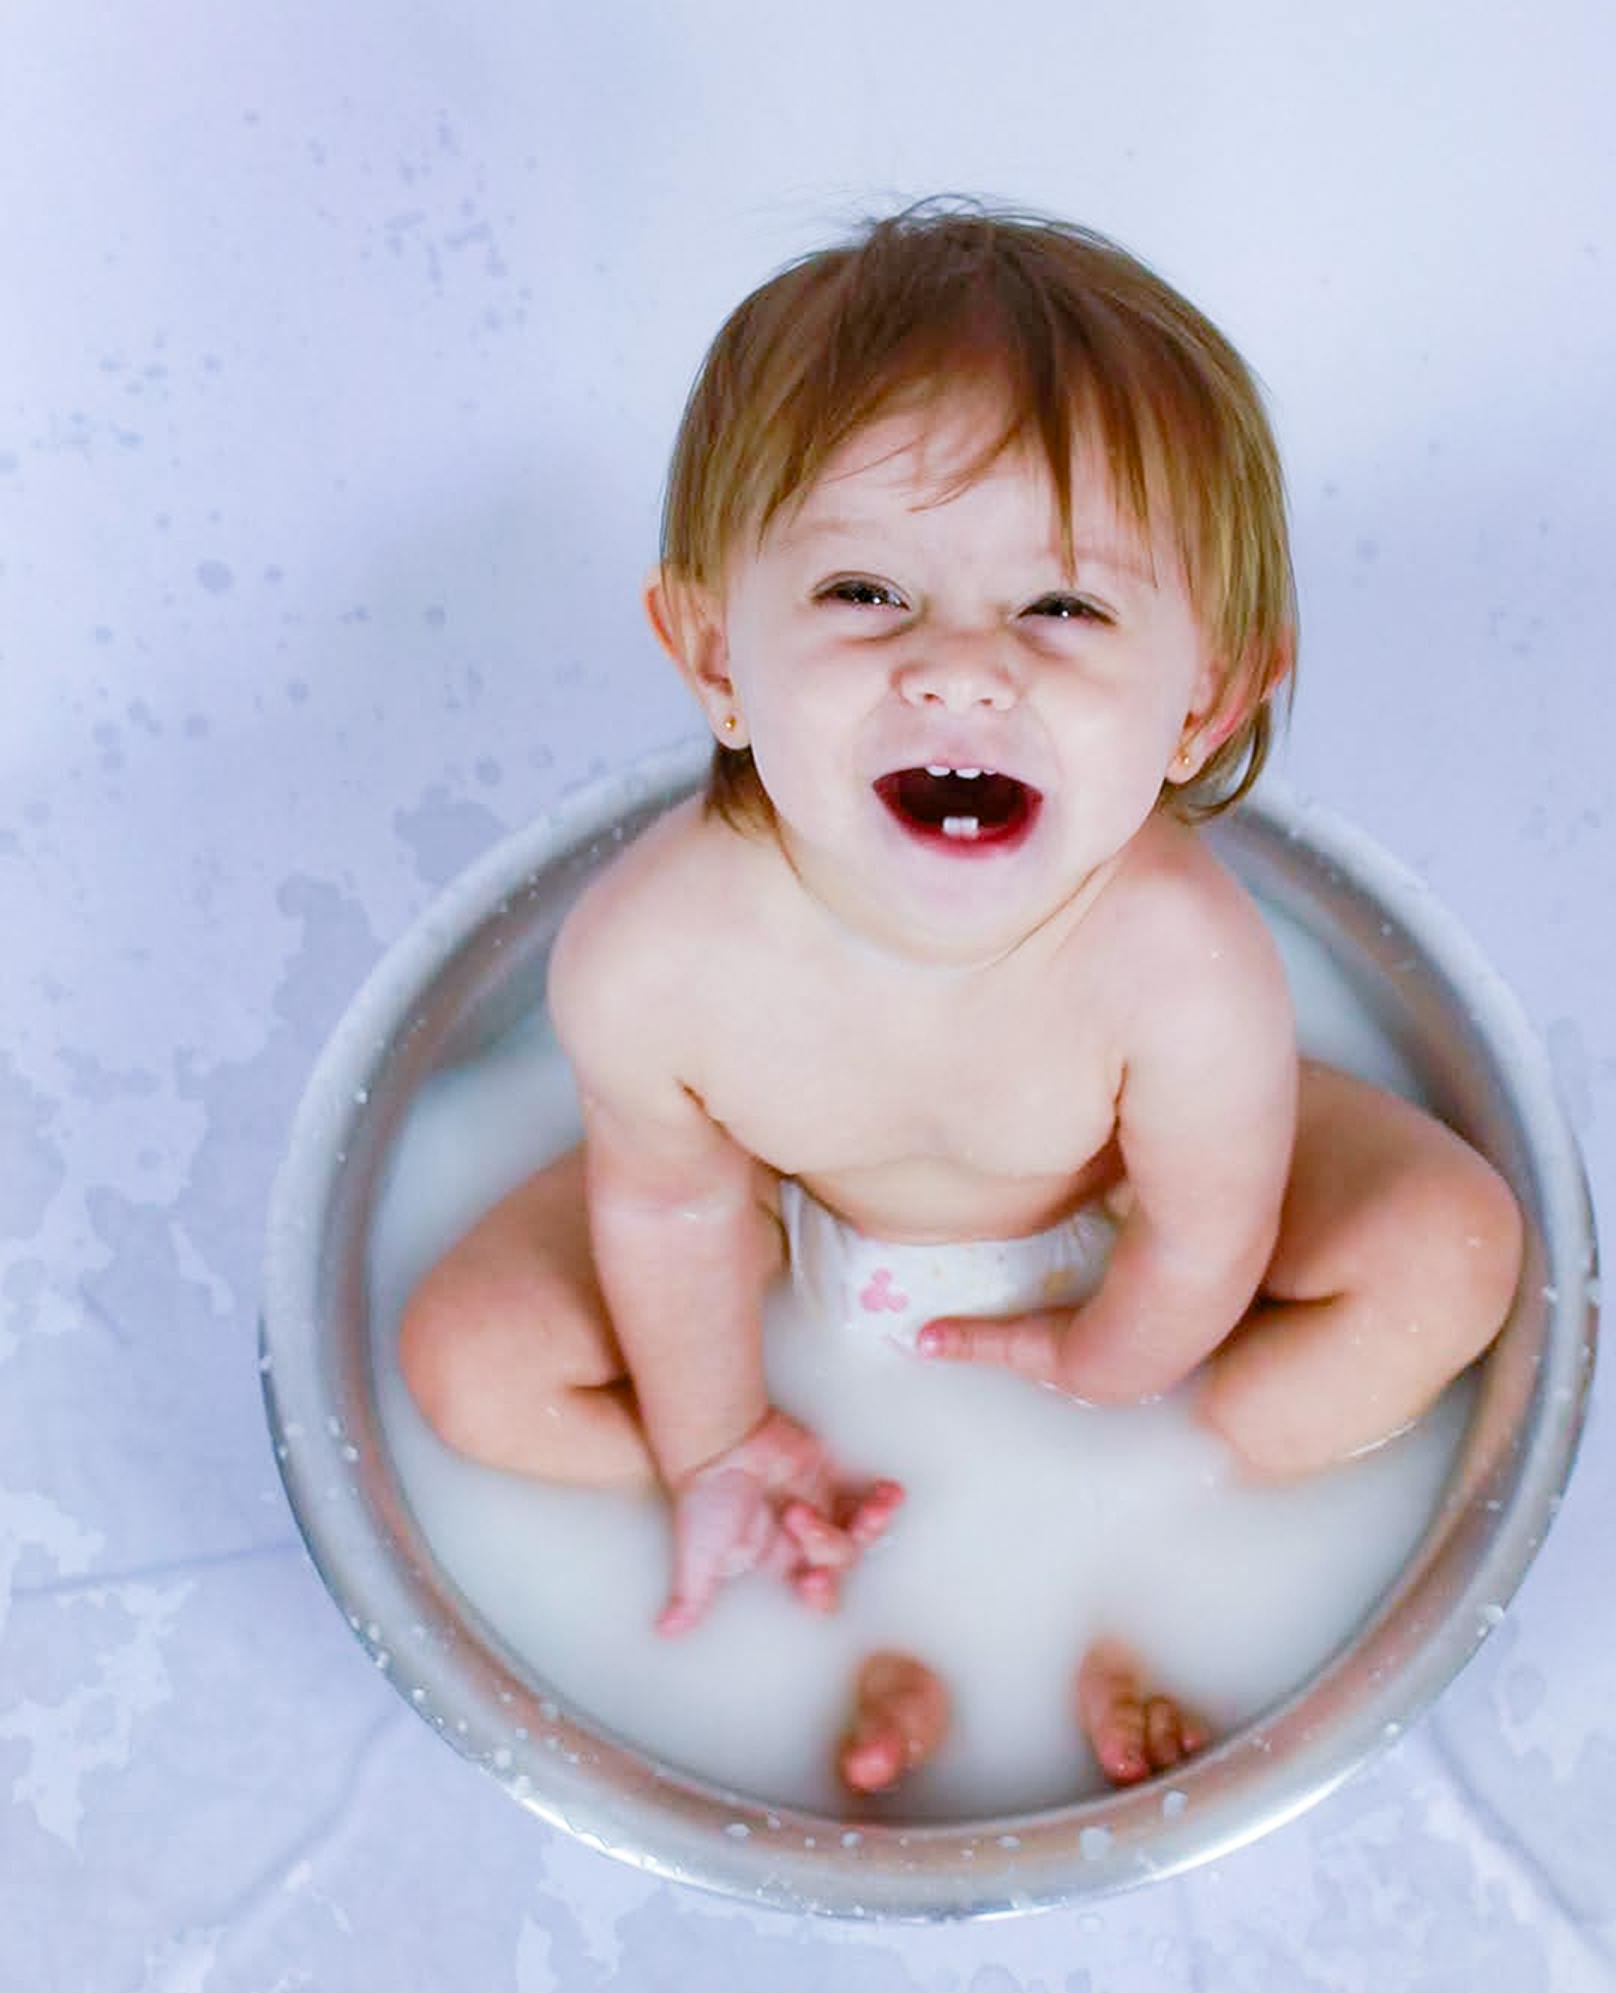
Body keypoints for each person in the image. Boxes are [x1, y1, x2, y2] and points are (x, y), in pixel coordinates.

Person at [399, 201, 1523, 1796]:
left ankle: (1182, 1518)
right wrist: (716, 1425)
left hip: (1121, 1222)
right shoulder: (656, 955)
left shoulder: (1180, 962)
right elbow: (668, 1210)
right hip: (789, 1221)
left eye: (1064, 608)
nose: (962, 669)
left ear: (1202, 700)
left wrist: (1117, 1372)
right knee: (466, 1362)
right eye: (865, 591)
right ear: (713, 649)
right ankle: (786, 1497)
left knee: (1454, 1248)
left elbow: (1210, 1227)